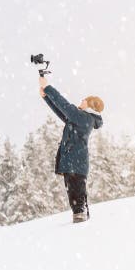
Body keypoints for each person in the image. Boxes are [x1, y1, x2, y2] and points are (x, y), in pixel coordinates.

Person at [39, 76, 104, 223]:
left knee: (77, 197)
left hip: (76, 163)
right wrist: (46, 97)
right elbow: (62, 112)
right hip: (74, 163)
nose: (81, 101)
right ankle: (82, 219)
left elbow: (65, 106)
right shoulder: (82, 118)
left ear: (90, 105)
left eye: (84, 100)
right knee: (76, 195)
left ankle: (80, 223)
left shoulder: (85, 118)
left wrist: (48, 88)